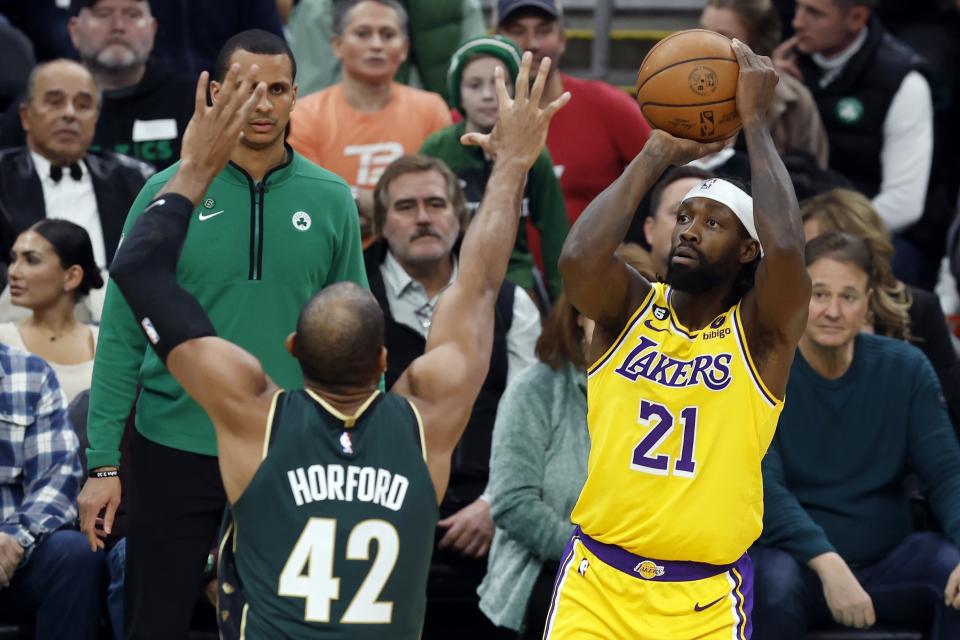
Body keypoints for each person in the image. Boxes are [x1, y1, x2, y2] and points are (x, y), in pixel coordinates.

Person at [107, 49, 569, 638]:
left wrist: (194, 169)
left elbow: (140, 270)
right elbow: (478, 287)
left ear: (292, 350)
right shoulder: (425, 422)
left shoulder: (254, 416)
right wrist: (512, 167)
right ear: (385, 361)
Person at [76, 30, 370, 640]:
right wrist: (103, 464)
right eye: (243, 88)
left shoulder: (332, 198)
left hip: (293, 449)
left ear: (297, 98)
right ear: (210, 94)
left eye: (277, 89)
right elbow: (122, 337)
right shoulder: (162, 195)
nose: (261, 105)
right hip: (173, 446)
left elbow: (355, 333)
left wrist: (363, 443)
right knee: (153, 622)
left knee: (291, 626)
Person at [548, 41, 810, 638]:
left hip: (703, 602)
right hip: (597, 585)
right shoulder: (630, 308)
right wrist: (657, 149)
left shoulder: (762, 337)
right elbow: (578, 259)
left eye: (712, 224)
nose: (689, 231)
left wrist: (756, 126)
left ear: (748, 251)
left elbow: (790, 251)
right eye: (684, 218)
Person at [364, 153, 540, 639]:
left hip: (488, 511)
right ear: (380, 223)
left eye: (436, 203)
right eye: (405, 206)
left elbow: (533, 421)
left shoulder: (510, 300)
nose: (423, 217)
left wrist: (495, 504)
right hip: (376, 512)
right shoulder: (350, 296)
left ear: (460, 216)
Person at [751, 232, 960, 639]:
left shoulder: (906, 368)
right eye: (820, 294)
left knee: (950, 572)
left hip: (888, 559)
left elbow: (947, 473)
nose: (832, 311)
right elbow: (764, 488)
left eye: (848, 297)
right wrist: (826, 562)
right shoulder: (765, 370)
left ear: (869, 302)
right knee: (771, 584)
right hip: (796, 562)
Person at [773, 0, 936, 285]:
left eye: (814, 13)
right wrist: (772, 94)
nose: (798, 23)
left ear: (857, 18)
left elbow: (904, 203)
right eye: (798, 8)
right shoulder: (785, 63)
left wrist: (826, 235)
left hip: (869, 230)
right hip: (787, 221)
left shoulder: (904, 82)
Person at [289, 0, 452, 246]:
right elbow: (309, 205)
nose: (376, 45)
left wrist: (361, 204)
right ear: (337, 45)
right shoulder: (303, 115)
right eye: (362, 34)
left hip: (416, 259)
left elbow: (442, 200)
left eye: (387, 35)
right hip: (332, 259)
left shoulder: (431, 109)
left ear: (405, 48)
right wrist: (388, 207)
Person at [421, 35, 568, 303]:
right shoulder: (436, 150)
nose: (488, 95)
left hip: (515, 278)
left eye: (500, 83)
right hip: (447, 277)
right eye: (474, 85)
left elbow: (555, 233)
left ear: (516, 90)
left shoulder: (534, 151)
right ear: (458, 95)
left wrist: (565, 304)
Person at [478, 294, 592, 638]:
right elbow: (512, 502)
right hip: (546, 573)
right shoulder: (535, 389)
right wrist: (592, 560)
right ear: (578, 316)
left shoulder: (657, 398)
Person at [800, 187, 960, 428]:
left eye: (834, 252)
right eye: (809, 252)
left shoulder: (918, 310)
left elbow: (948, 414)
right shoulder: (780, 318)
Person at [496, 0, 652, 227]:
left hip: (591, 260)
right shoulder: (476, 116)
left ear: (562, 39)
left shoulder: (607, 105)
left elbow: (666, 177)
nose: (531, 43)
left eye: (544, 30)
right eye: (517, 31)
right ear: (496, 39)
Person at [0, 59, 151, 271]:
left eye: (83, 105)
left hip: (112, 302)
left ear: (95, 119)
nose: (70, 114)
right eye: (54, 102)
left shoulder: (134, 181)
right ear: (26, 116)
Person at [0, 342, 104, 639]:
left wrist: (13, 539)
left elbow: (57, 480)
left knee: (76, 553)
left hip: (13, 556)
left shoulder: (30, 374)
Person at [701, 0, 829, 168]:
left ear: (757, 45)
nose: (704, 45)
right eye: (702, 32)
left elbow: (813, 178)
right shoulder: (672, 88)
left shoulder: (793, 101)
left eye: (722, 36)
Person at [288, 0, 486, 100]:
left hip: (439, 125)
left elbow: (480, 66)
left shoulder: (460, 4)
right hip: (342, 130)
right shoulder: (318, 7)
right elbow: (309, 87)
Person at [0, 220, 104, 403]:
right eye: (14, 259)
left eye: (31, 260)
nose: (13, 272)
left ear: (72, 276)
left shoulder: (105, 342)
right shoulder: (3, 340)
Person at [643, 166, 716, 277]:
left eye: (710, 221)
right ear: (650, 230)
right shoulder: (619, 283)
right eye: (682, 217)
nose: (690, 231)